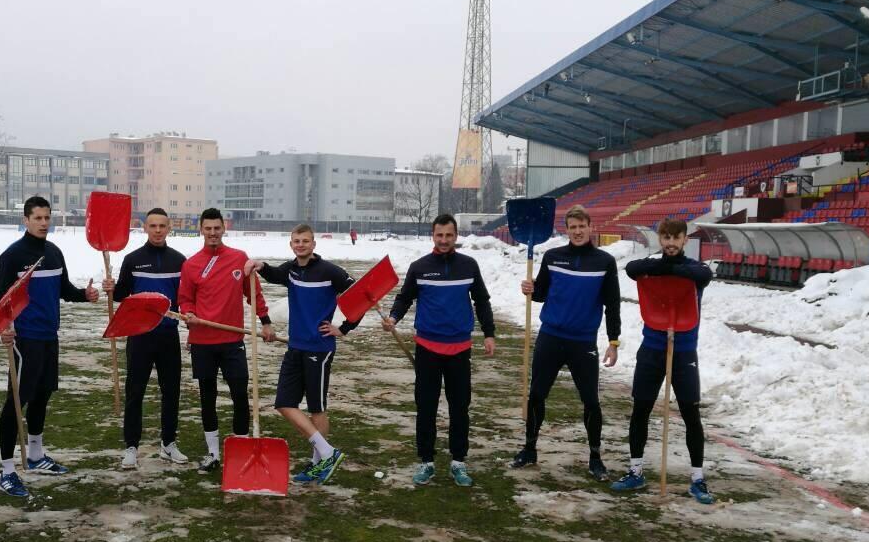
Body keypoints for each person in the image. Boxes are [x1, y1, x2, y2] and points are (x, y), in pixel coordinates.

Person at [0, 196, 100, 498]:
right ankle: (8, 471)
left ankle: (36, 456)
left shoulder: (53, 253)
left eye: (46, 218)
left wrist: (85, 295)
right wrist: (3, 328)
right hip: (25, 339)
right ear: (25, 220)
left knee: (42, 395)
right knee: (16, 402)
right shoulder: (12, 256)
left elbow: (64, 290)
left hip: (50, 336)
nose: (43, 223)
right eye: (37, 218)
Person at [509, 205, 621, 480]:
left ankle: (595, 457)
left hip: (583, 342)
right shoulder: (553, 257)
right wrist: (531, 290)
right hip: (551, 337)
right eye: (573, 227)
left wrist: (613, 341)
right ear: (567, 229)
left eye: (582, 226)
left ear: (591, 227)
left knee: (591, 401)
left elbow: (612, 305)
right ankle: (530, 448)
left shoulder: (604, 262)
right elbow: (541, 294)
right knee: (536, 395)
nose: (578, 231)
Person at [384, 214, 495, 487]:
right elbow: (404, 297)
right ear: (433, 236)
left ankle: (459, 461)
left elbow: (481, 300)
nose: (444, 240)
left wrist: (489, 333)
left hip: (459, 349)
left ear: (456, 236)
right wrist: (394, 318)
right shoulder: (419, 267)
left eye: (448, 235)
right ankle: (426, 461)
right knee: (426, 406)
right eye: (439, 235)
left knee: (460, 407)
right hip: (428, 349)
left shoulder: (468, 266)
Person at [611, 217, 716, 504]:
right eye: (666, 238)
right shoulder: (651, 264)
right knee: (641, 408)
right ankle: (635, 470)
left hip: (684, 351)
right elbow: (633, 269)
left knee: (690, 413)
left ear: (685, 240)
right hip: (652, 348)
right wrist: (664, 266)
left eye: (676, 238)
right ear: (660, 239)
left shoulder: (696, 270)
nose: (670, 243)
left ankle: (697, 479)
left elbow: (703, 276)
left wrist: (671, 268)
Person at [246, 224, 359, 485]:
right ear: (291, 244)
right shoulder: (292, 269)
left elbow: (358, 295)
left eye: (305, 241)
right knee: (284, 403)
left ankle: (319, 464)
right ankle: (328, 452)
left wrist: (344, 328)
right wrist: (260, 265)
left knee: (316, 407)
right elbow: (274, 275)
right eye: (296, 241)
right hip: (295, 346)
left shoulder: (330, 271)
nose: (300, 245)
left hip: (319, 349)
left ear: (313, 244)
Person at [177, 207, 274, 472]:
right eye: (207, 229)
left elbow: (253, 294)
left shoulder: (239, 259)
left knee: (240, 395)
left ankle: (241, 450)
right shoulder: (191, 264)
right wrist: (189, 313)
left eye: (216, 228)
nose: (212, 233)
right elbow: (185, 299)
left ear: (224, 228)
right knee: (207, 398)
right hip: (203, 342)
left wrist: (265, 322)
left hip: (232, 341)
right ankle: (213, 452)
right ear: (201, 230)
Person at [101, 208, 188, 470]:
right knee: (135, 393)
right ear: (145, 228)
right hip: (139, 337)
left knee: (171, 392)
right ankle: (131, 447)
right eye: (153, 226)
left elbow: (184, 300)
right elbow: (121, 296)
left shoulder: (179, 261)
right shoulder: (133, 259)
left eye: (162, 226)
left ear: (169, 228)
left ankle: (168, 444)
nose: (158, 230)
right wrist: (111, 289)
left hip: (168, 335)